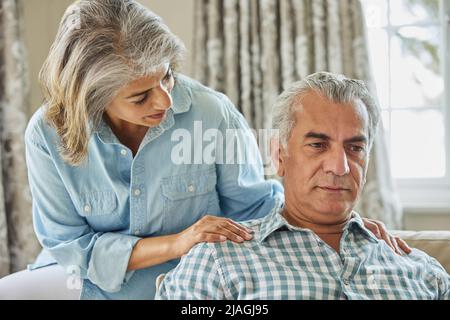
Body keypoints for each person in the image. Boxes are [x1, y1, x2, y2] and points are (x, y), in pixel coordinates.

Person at [0, 1, 407, 300]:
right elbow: (71, 248)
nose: (163, 101)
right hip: (85, 284)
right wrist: (179, 240)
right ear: (93, 97)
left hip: (190, 287)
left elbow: (256, 206)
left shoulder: (210, 112)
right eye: (141, 97)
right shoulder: (47, 133)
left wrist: (339, 225)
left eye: (168, 77)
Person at [156, 72, 448, 300]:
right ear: (279, 156)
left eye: (355, 148)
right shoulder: (219, 261)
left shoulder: (422, 271)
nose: (340, 166)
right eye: (318, 145)